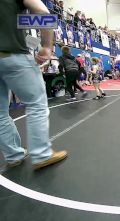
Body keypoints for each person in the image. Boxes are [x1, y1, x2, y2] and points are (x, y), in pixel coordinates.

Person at [0, 0, 67, 170]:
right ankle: (41, 154)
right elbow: (43, 13)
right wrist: (46, 46)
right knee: (36, 103)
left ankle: (13, 155)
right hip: (12, 55)